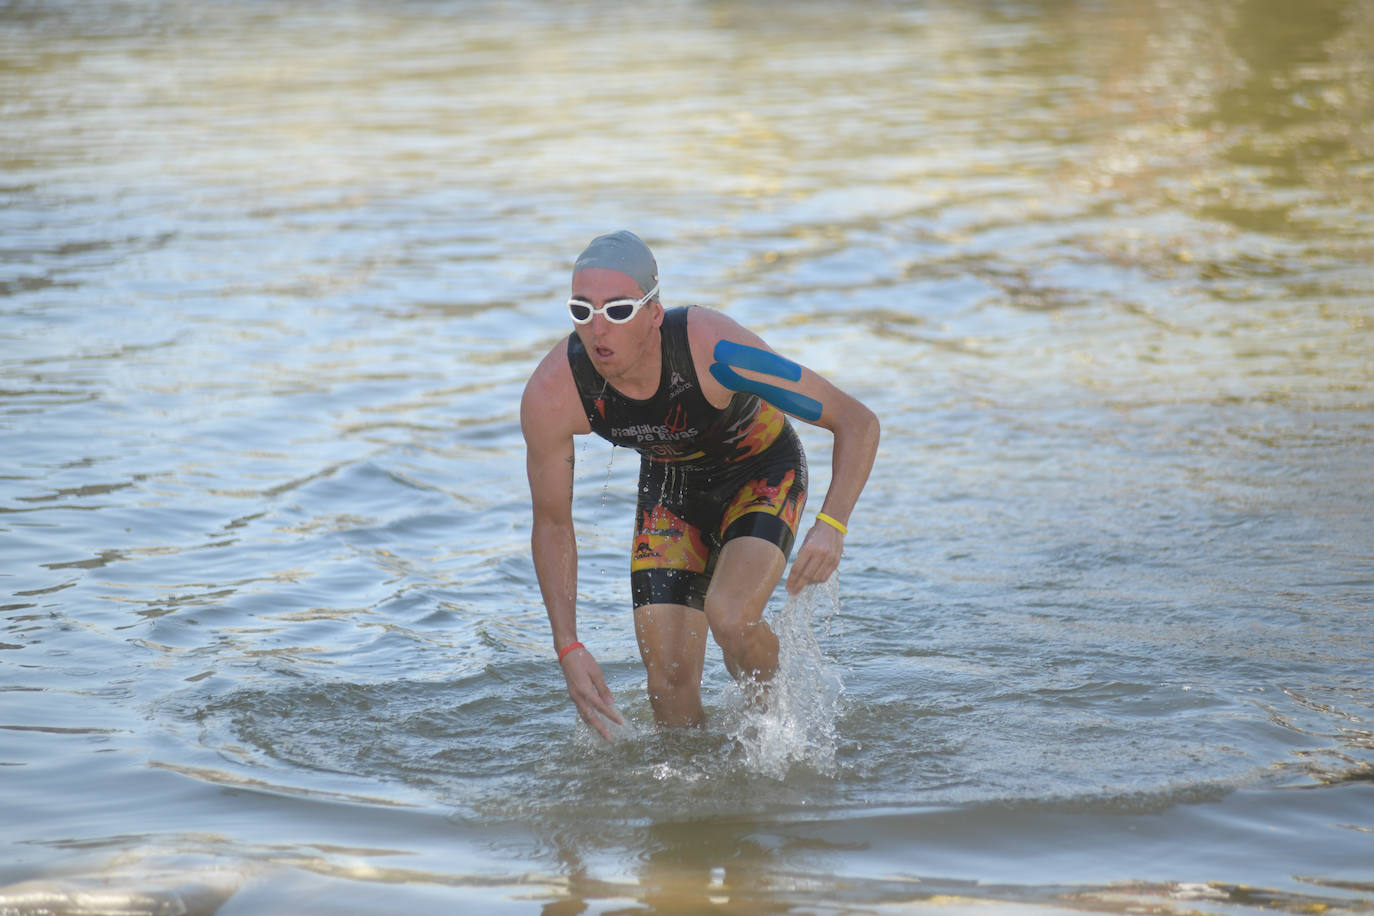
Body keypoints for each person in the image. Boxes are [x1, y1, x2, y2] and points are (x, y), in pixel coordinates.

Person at [521, 230, 880, 740]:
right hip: (673, 493)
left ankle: (785, 732)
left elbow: (857, 421)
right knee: (666, 684)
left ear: (653, 313)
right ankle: (695, 800)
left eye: (618, 310)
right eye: (582, 310)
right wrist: (568, 644)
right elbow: (553, 523)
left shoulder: (713, 348)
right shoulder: (555, 393)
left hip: (759, 473)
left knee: (730, 616)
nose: (597, 329)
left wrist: (832, 523)